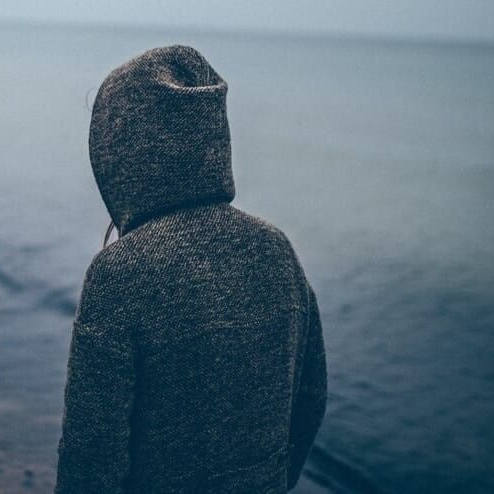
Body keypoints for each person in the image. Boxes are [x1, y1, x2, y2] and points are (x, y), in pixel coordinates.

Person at [55, 45, 327, 493]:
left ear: (119, 152)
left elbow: (90, 458)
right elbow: (311, 401)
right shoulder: (277, 251)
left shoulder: (120, 274)